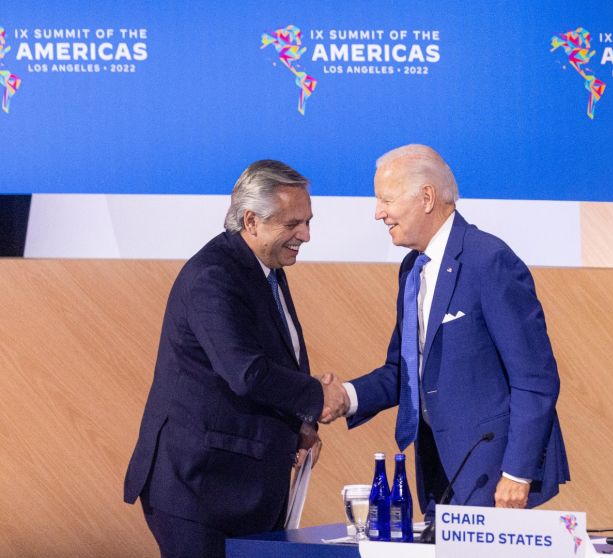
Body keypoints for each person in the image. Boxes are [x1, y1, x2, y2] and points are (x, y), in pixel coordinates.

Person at [123, 160, 347, 558]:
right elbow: (246, 372)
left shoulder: (264, 269)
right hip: (200, 491)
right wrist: (318, 397)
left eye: (308, 221)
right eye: (293, 224)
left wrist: (300, 422)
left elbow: (271, 362)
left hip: (242, 487)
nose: (306, 235)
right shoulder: (214, 276)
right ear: (251, 221)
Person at [328, 144, 569, 512]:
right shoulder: (412, 269)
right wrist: (345, 396)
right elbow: (406, 371)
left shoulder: (489, 261)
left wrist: (518, 473)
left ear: (426, 197)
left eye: (386, 200)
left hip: (493, 476)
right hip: (438, 473)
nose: (379, 213)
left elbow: (535, 377)